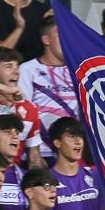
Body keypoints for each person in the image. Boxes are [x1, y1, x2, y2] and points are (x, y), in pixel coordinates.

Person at [18, 18, 80, 158]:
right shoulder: (27, 69)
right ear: (46, 40)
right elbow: (24, 111)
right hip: (41, 153)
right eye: (60, 33)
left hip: (72, 153)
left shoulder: (77, 71)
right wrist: (34, 152)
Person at [48, 119, 99, 210]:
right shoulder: (47, 181)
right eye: (71, 136)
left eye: (80, 136)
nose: (78, 141)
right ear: (57, 143)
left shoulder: (95, 176)